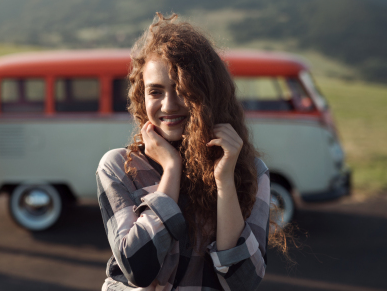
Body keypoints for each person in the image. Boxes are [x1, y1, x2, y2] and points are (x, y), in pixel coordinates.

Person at [96, 14, 276, 290]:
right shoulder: (119, 166)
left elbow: (244, 281)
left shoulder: (251, 171)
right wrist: (172, 168)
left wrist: (225, 180)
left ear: (208, 94)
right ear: (141, 97)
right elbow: (137, 267)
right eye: (155, 91)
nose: (168, 105)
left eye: (182, 90)